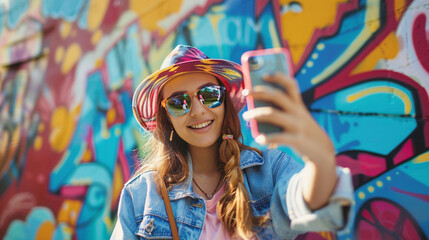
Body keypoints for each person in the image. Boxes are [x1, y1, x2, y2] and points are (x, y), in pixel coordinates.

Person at [111, 45, 353, 239]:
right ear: (166, 117)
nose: (197, 110)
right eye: (178, 102)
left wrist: (319, 156)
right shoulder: (141, 195)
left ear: (225, 100)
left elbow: (312, 203)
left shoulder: (269, 171)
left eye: (209, 95)